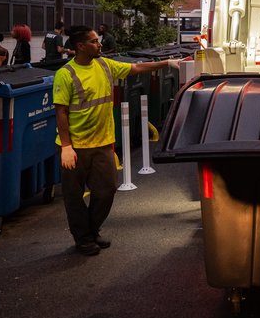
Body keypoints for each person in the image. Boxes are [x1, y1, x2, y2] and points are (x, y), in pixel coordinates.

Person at [53, 25, 180, 255]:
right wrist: (66, 147)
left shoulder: (104, 64)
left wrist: (166, 63)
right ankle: (83, 239)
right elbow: (60, 111)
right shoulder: (66, 74)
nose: (99, 44)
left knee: (107, 191)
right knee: (74, 197)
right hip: (76, 147)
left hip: (102, 143)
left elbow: (137, 66)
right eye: (93, 41)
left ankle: (91, 231)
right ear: (81, 46)